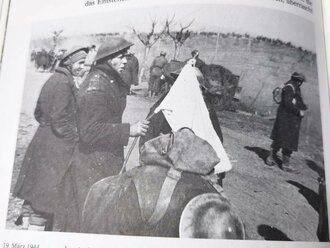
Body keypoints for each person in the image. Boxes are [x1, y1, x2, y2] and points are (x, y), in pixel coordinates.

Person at [62, 38, 149, 232]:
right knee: (90, 222)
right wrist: (129, 130)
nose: (125, 61)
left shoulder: (107, 80)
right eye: (120, 57)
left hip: (102, 161)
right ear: (108, 59)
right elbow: (89, 131)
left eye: (126, 56)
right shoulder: (97, 86)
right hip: (91, 166)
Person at [13, 47, 89, 231]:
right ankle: (35, 232)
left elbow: (38, 113)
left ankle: (26, 224)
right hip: (56, 145)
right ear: (69, 63)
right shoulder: (64, 83)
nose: (83, 67)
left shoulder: (54, 79)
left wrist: (46, 127)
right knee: (46, 194)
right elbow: (60, 118)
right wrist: (75, 138)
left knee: (36, 188)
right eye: (80, 63)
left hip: (43, 139)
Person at [265, 72, 308, 172]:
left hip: (289, 120)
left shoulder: (293, 87)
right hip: (287, 120)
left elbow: (295, 101)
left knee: (281, 139)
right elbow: (287, 104)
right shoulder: (289, 88)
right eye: (300, 81)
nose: (300, 83)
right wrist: (299, 111)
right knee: (285, 141)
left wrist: (303, 107)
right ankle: (283, 164)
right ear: (297, 80)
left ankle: (272, 159)